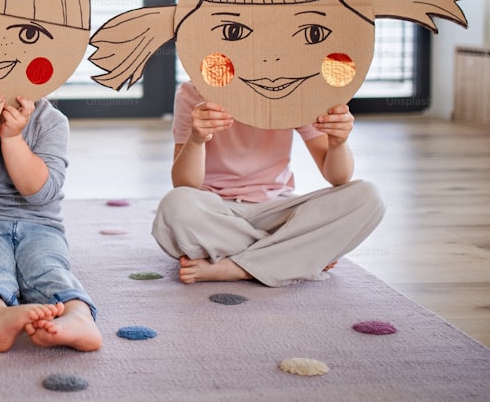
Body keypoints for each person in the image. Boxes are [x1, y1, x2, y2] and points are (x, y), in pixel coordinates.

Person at [151, 81, 384, 286]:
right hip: (218, 213)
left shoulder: (298, 90)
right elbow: (184, 184)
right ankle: (295, 256)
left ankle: (239, 268)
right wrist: (197, 138)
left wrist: (339, 142)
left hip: (276, 209)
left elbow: (338, 177)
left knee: (368, 196)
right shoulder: (192, 92)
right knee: (175, 206)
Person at [0, 90, 102, 353]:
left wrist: (12, 137)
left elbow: (40, 193)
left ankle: (79, 318)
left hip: (41, 225)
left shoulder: (52, 121)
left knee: (49, 269)